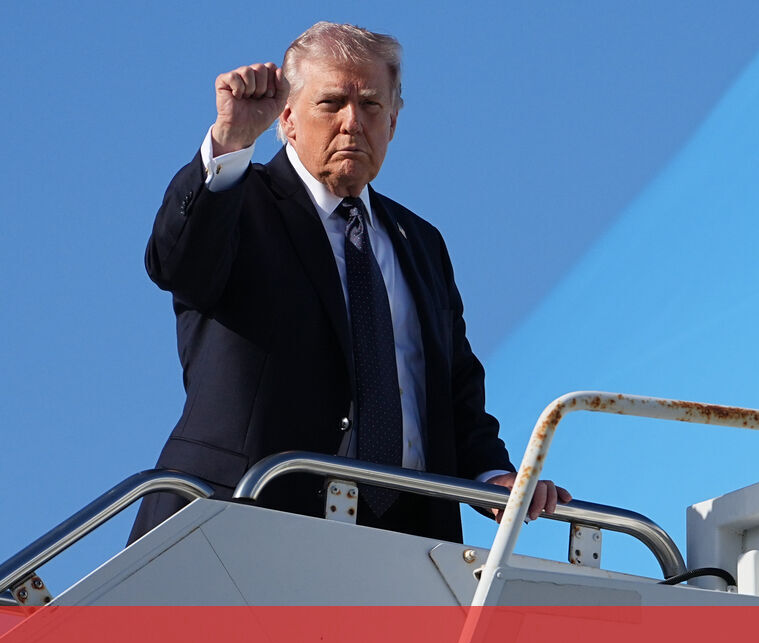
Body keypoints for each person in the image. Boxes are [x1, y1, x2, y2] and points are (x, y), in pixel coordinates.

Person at [130, 21, 568, 544]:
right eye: (331, 103)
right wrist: (230, 141)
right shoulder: (237, 202)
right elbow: (176, 264)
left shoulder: (420, 242)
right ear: (287, 118)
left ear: (394, 121)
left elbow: (451, 392)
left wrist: (491, 475)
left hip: (402, 540)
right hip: (241, 524)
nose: (352, 122)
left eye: (371, 105)